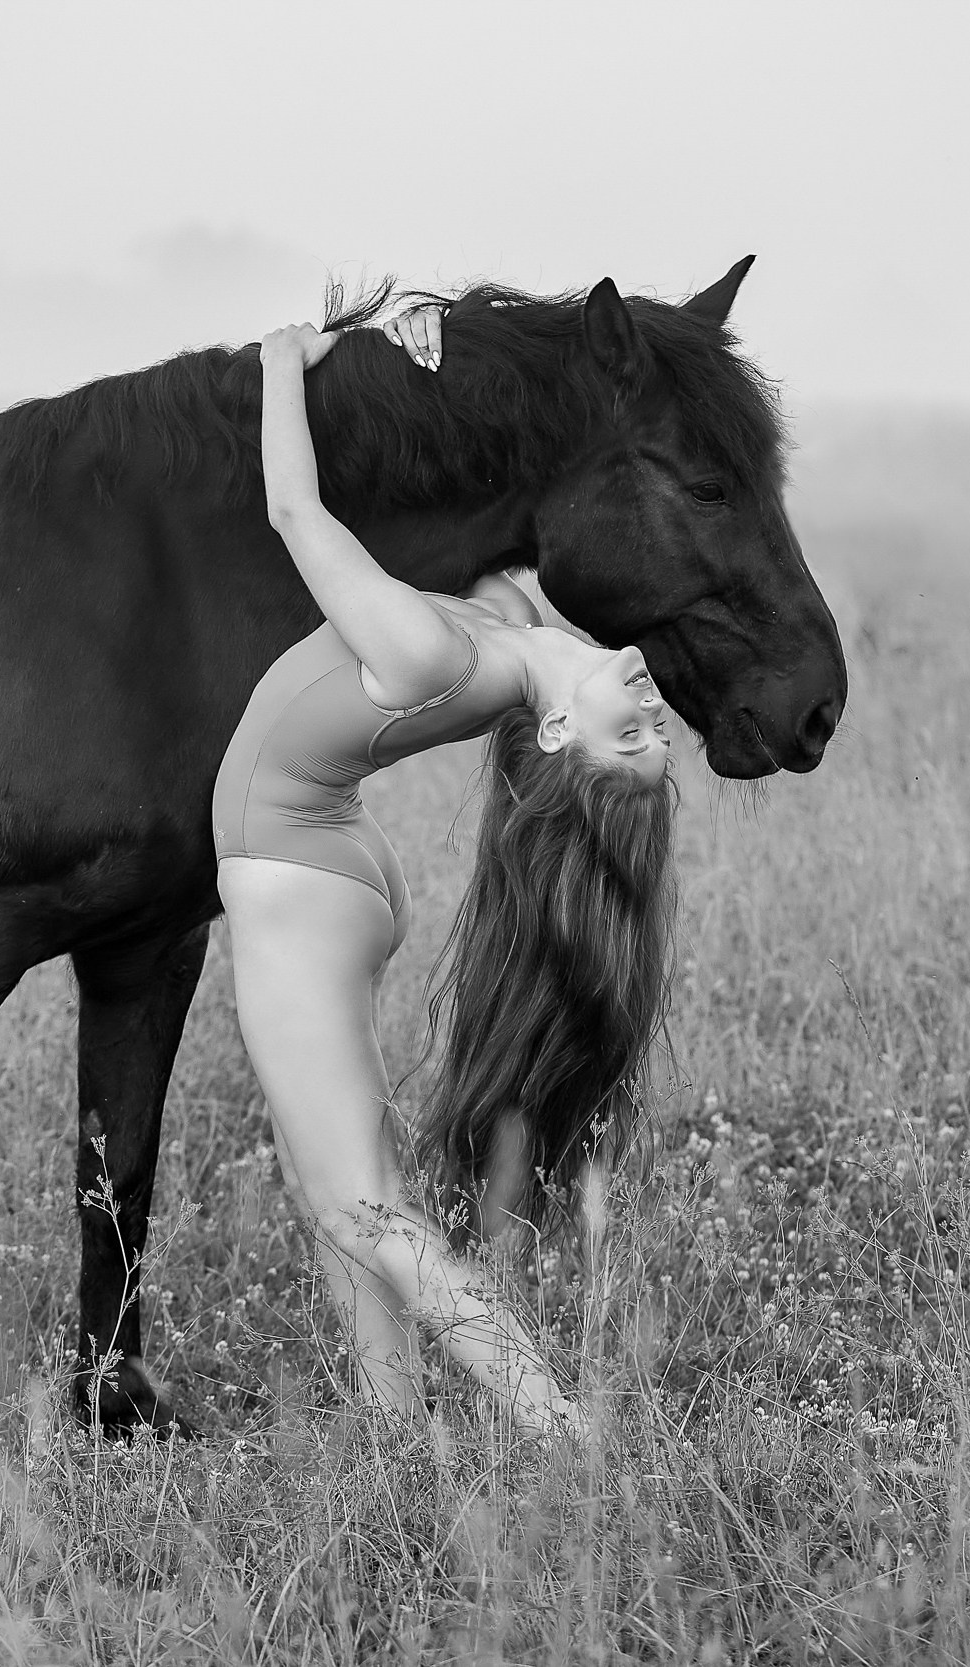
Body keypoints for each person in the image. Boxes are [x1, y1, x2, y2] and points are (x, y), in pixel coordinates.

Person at [213, 305, 679, 1430]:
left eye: (629, 734)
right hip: (323, 864)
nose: (652, 705)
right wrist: (413, 329)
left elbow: (294, 511)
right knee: (345, 1190)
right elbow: (469, 498)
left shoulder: (434, 653)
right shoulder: (508, 618)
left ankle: (554, 1422)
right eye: (654, 730)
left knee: (362, 1203)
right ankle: (394, 1432)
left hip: (296, 872)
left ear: (560, 735)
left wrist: (281, 358)